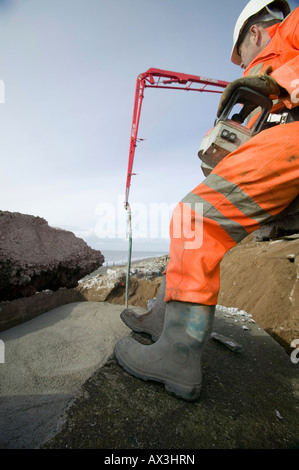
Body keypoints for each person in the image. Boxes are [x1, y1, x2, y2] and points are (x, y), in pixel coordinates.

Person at [115, 0, 299, 401]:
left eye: (241, 56)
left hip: (291, 142)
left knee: (193, 219)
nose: (240, 65)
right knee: (195, 210)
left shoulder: (289, 32)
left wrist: (277, 75)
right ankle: (165, 316)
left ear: (255, 32)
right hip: (281, 145)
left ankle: (178, 357)